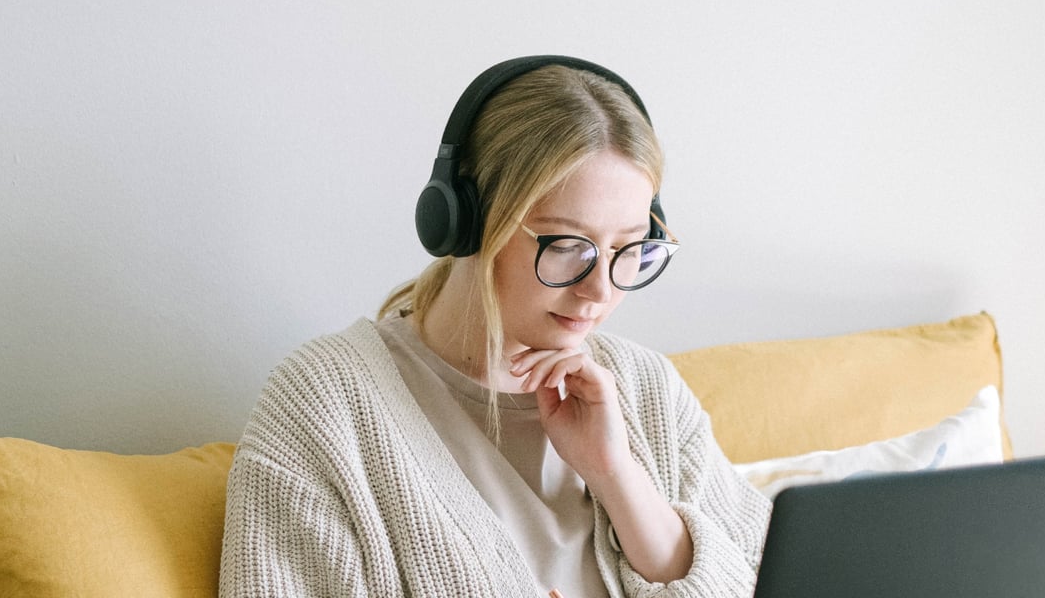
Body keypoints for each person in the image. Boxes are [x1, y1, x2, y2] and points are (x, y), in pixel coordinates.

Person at [220, 55, 772, 597]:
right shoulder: (325, 406)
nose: (600, 291)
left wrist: (617, 477)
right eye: (567, 246)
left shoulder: (647, 389)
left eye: (629, 249)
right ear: (466, 224)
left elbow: (770, 579)